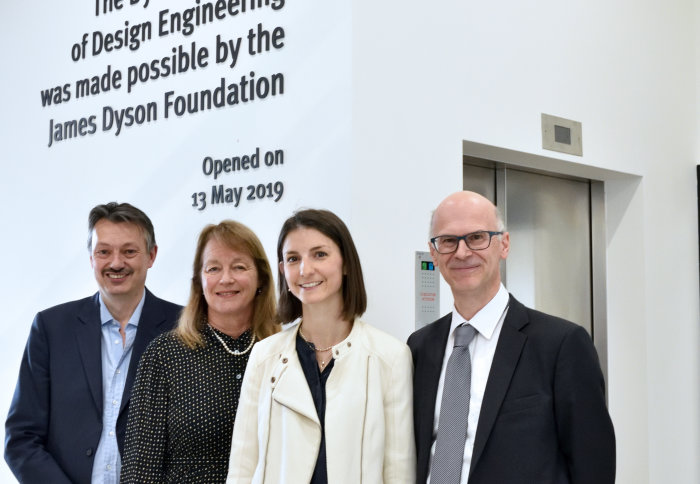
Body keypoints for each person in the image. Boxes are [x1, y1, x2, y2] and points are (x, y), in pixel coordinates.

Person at [407, 191, 616, 484]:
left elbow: (593, 466)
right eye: (448, 241)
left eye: (477, 237)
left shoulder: (561, 344)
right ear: (434, 254)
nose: (462, 252)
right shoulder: (419, 346)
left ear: (503, 244)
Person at [227, 209, 415, 484]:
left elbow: (398, 471)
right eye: (293, 259)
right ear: (282, 270)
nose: (305, 269)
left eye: (320, 254)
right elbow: (243, 466)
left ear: (346, 263)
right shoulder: (264, 355)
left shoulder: (390, 357)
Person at [4, 202, 182, 484]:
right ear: (91, 257)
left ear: (151, 255)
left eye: (129, 251)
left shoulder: (184, 328)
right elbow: (21, 439)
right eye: (104, 252)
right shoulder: (51, 329)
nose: (115, 263)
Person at [120, 220, 277, 483]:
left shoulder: (284, 352)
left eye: (239, 267)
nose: (226, 279)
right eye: (213, 268)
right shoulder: (165, 354)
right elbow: (140, 470)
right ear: (199, 282)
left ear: (261, 277)